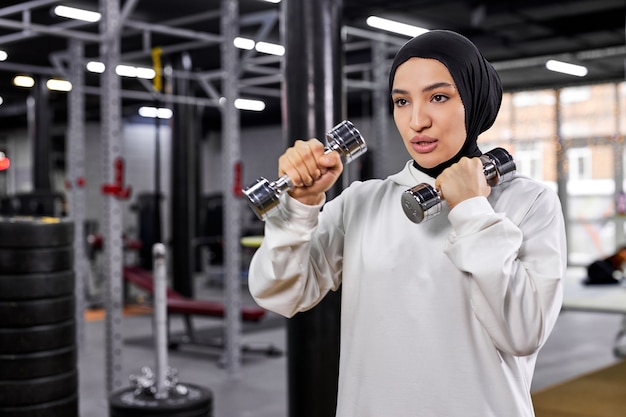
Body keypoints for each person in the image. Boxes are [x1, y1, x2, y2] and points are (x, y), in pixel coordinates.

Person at [248, 29, 567, 417]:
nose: (417, 121)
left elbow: (524, 332)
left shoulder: (528, 202)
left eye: (439, 97)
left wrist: (471, 210)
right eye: (402, 101)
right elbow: (279, 294)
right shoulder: (362, 203)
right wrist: (300, 206)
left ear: (475, 100)